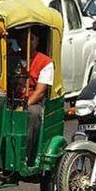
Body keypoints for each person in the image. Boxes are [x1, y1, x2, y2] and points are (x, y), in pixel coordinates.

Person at [24, 27, 54, 163]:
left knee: (33, 113)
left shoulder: (45, 62)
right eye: (24, 39)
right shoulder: (11, 58)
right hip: (11, 99)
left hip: (32, 102)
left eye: (31, 39)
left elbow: (40, 92)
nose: (27, 42)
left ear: (37, 41)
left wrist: (25, 105)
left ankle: (25, 154)